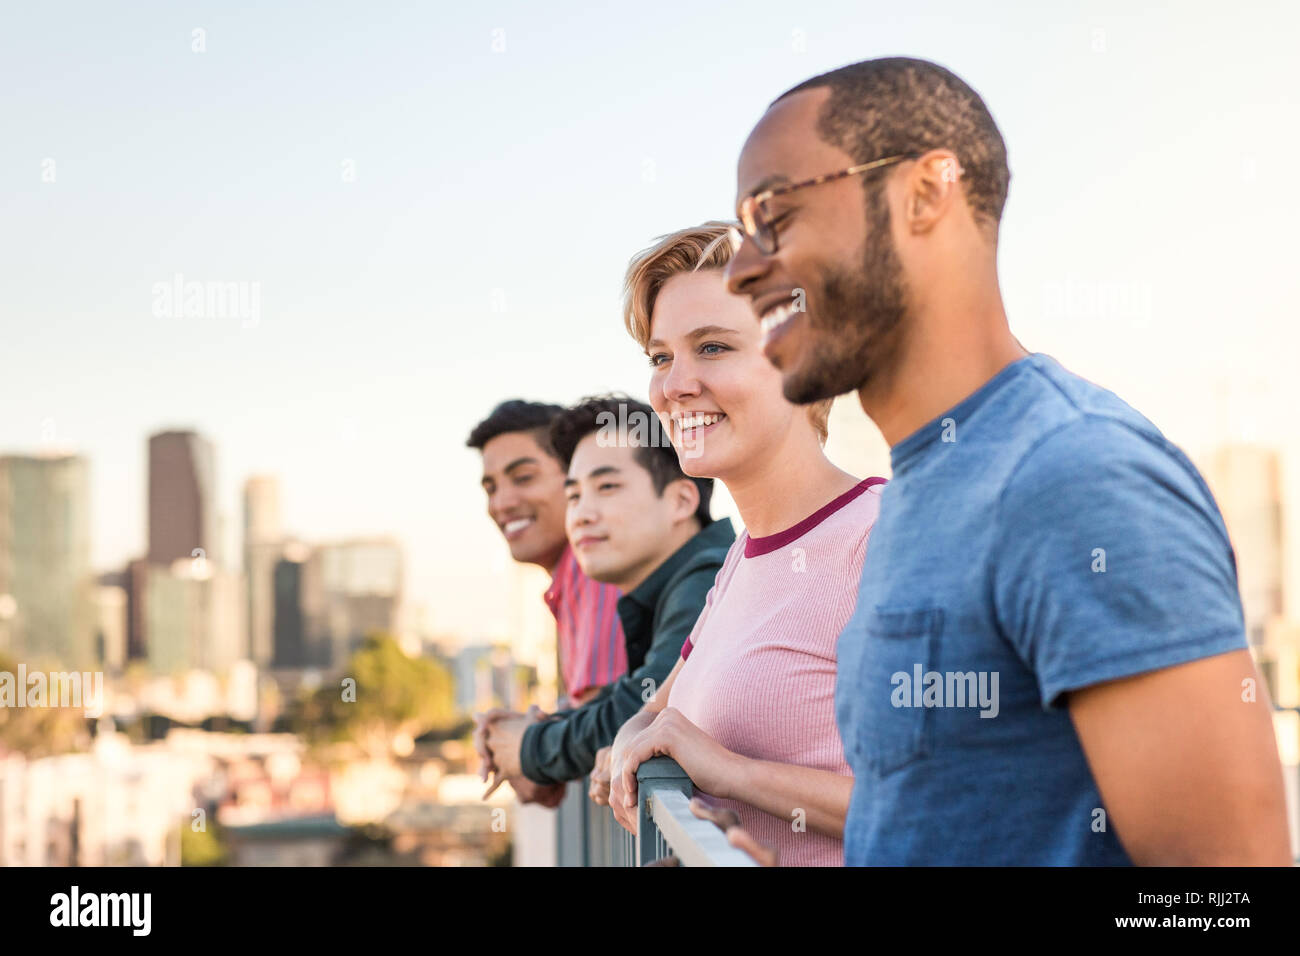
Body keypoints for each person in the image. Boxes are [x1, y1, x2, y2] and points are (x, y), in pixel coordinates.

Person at [723, 56, 1291, 865]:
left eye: (771, 212)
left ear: (926, 191)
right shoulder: (918, 491)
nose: (743, 268)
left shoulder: (1073, 478)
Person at [603, 222, 886, 866]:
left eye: (712, 347)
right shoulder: (744, 555)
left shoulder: (881, 537)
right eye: (660, 356)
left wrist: (728, 771)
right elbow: (663, 709)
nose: (674, 385)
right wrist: (625, 743)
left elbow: (949, 812)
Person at [482, 396, 734, 788]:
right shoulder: (671, 588)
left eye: (607, 486)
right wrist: (536, 728)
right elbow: (626, 698)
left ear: (681, 501)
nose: (582, 514)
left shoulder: (710, 580)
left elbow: (642, 709)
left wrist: (530, 748)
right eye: (574, 495)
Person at [466, 399, 628, 804]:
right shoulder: (569, 579)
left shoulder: (593, 571)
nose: (501, 503)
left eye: (522, 477)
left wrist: (519, 745)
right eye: (491, 487)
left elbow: (600, 739)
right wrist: (517, 737)